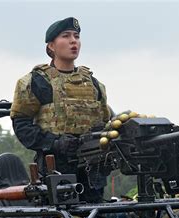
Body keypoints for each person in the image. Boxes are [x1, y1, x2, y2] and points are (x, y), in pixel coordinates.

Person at [10, 17, 112, 203]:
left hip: (93, 169)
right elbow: (22, 126)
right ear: (51, 46)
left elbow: (108, 122)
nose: (74, 41)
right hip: (56, 168)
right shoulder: (37, 82)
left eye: (77, 36)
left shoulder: (94, 84)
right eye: (66, 36)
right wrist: (54, 143)